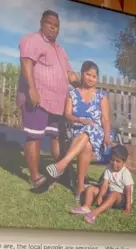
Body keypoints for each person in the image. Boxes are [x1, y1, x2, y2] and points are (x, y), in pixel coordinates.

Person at [17, 10, 78, 187]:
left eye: (56, 25)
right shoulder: (32, 40)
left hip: (57, 104)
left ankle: (60, 172)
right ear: (41, 23)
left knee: (56, 137)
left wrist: (80, 82)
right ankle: (35, 177)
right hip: (38, 99)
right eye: (49, 23)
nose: (53, 27)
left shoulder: (60, 49)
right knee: (34, 137)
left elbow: (68, 73)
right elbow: (26, 62)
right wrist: (32, 89)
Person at [46, 61, 111, 202]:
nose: (91, 78)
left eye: (94, 76)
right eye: (88, 74)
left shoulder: (101, 95)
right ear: (82, 74)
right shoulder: (72, 94)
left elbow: (105, 118)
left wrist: (106, 134)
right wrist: (81, 120)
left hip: (97, 132)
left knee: (89, 130)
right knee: (86, 144)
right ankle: (80, 188)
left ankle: (62, 164)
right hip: (77, 131)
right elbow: (67, 114)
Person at [70, 144, 133, 224]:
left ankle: (94, 213)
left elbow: (128, 191)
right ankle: (86, 207)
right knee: (91, 188)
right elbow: (105, 184)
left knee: (114, 194)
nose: (114, 163)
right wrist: (100, 196)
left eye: (118, 161)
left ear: (124, 162)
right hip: (109, 193)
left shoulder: (125, 173)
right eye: (112, 160)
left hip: (120, 199)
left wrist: (127, 208)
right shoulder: (109, 167)